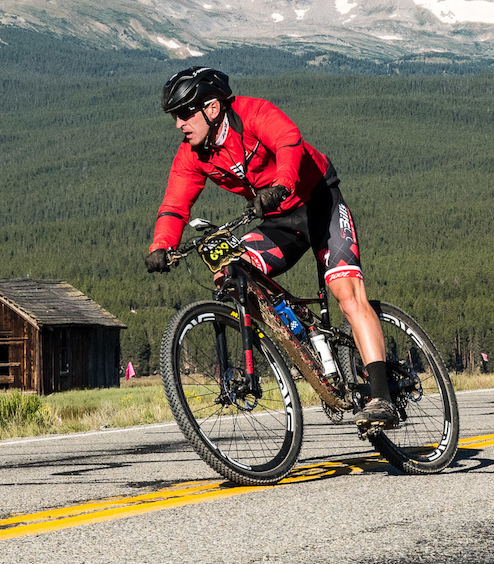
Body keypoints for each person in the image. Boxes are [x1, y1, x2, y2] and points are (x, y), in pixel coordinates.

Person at [145, 66, 396, 427]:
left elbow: (288, 141)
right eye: (175, 116)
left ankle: (382, 397)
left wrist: (281, 184)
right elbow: (174, 204)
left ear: (212, 109)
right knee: (230, 267)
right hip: (279, 220)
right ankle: (293, 343)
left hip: (317, 202)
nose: (179, 124)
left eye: (185, 113)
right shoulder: (193, 154)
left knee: (346, 292)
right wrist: (162, 245)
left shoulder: (253, 113)